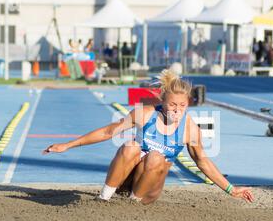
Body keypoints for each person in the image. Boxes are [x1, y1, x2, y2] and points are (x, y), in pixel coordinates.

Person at [42, 70, 254, 205]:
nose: (177, 110)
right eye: (172, 105)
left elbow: (203, 162)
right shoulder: (144, 114)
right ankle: (103, 199)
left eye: (182, 106)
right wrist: (68, 145)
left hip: (148, 189)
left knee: (155, 156)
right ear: (163, 100)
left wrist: (231, 189)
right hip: (126, 178)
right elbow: (109, 132)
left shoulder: (190, 130)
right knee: (131, 146)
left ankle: (132, 205)